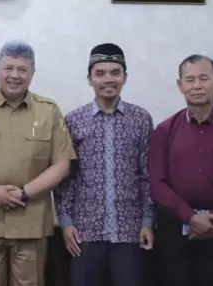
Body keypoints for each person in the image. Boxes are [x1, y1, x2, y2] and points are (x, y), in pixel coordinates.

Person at [0, 40, 76, 286]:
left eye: (22, 69)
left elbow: (62, 164)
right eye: (8, 68)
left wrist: (24, 193)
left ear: (32, 73)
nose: (14, 75)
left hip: (30, 222)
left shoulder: (48, 111)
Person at [149, 54, 213, 286]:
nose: (197, 85)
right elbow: (157, 181)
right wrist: (190, 217)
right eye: (190, 80)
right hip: (174, 230)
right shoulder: (164, 130)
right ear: (180, 86)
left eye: (204, 78)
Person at [54, 43, 155, 286]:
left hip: (129, 231)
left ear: (125, 77)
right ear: (89, 79)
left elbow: (147, 175)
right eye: (100, 73)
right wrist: (66, 222)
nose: (108, 79)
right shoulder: (74, 120)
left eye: (114, 72)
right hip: (85, 231)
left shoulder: (140, 119)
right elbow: (67, 177)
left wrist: (147, 222)